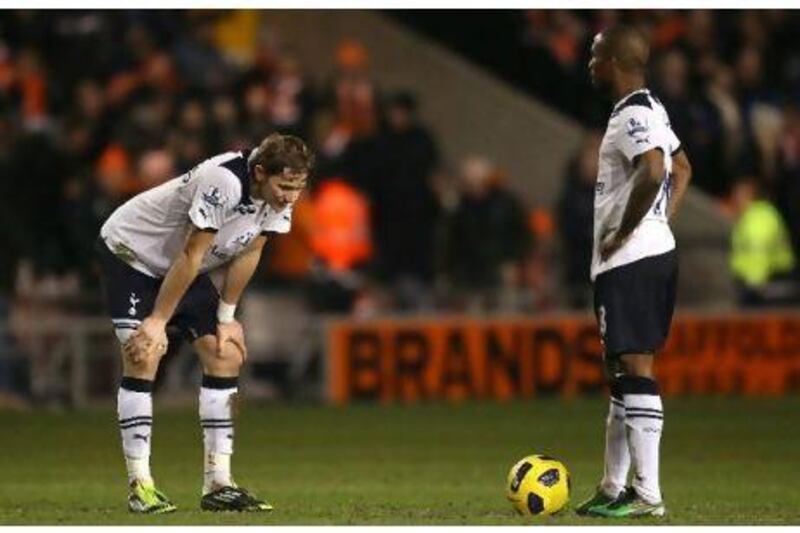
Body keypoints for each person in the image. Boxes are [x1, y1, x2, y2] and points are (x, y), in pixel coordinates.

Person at [96, 133, 314, 513]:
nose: (290, 197)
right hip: (132, 255)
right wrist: (157, 322)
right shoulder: (225, 181)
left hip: (180, 265)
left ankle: (219, 484)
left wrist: (227, 317)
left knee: (225, 353)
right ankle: (140, 485)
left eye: (298, 188)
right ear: (260, 172)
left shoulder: (280, 194)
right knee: (145, 353)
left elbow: (252, 249)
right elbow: (192, 253)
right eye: (284, 187)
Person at [574, 25, 693, 518]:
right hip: (638, 256)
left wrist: (628, 231)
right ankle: (613, 486)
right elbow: (683, 167)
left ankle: (647, 496)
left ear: (615, 63)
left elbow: (656, 169)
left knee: (637, 367)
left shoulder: (635, 115)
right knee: (621, 370)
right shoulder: (650, 108)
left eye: (595, 55)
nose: (589, 63)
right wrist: (660, 222)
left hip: (633, 260)